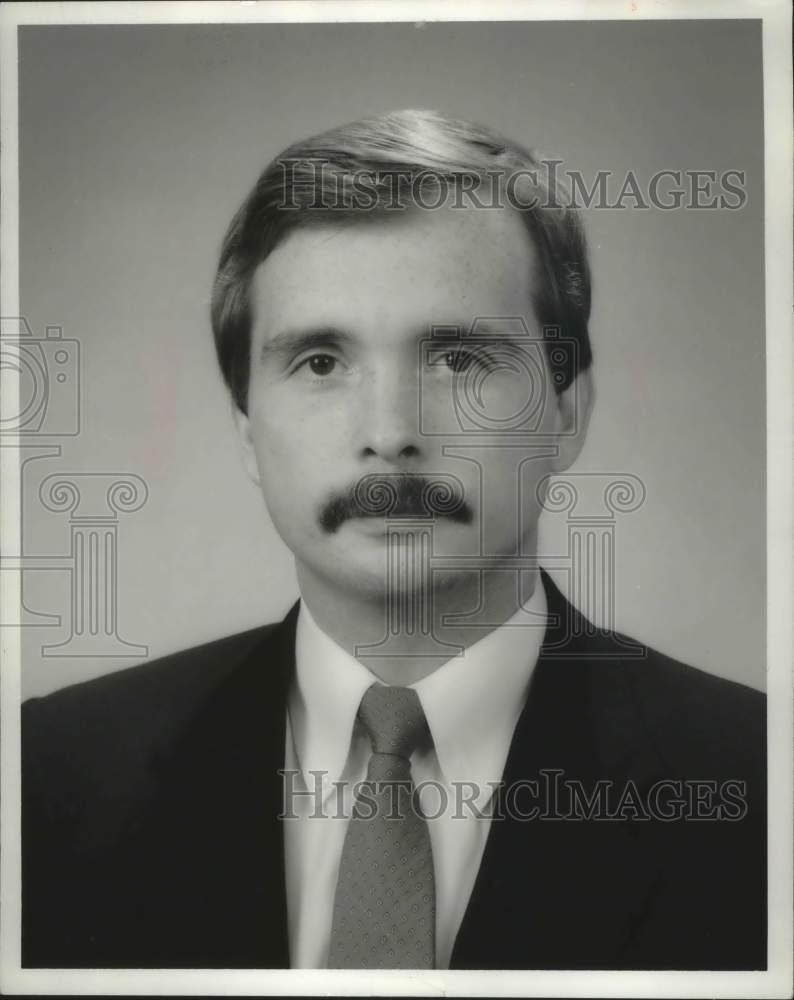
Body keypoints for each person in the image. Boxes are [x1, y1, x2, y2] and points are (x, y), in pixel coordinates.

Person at [21, 109, 765, 971]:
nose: (390, 432)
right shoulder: (46, 777)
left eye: (458, 358)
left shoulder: (760, 784)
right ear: (245, 430)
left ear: (567, 411)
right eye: (321, 363)